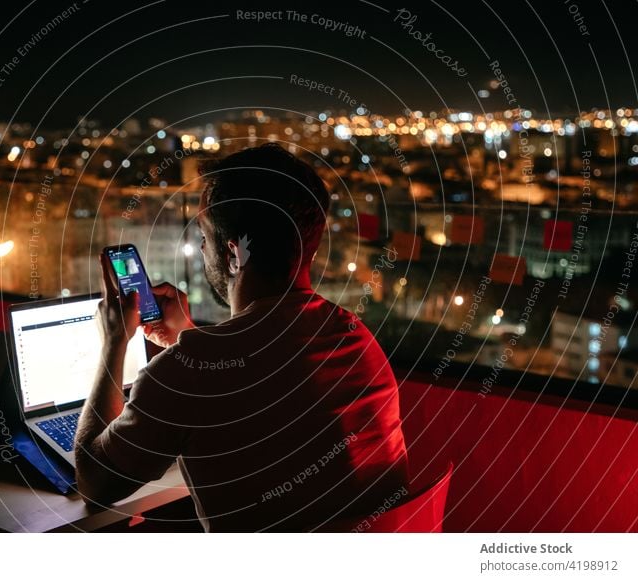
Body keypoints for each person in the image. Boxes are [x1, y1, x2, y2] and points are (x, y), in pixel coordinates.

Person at [74, 143, 409, 532]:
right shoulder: (356, 339)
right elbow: (269, 378)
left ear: (235, 254)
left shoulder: (188, 378)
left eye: (203, 234)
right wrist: (191, 340)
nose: (200, 248)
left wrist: (116, 342)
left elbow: (94, 482)